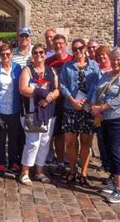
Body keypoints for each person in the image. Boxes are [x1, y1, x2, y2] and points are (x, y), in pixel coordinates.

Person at [91, 48, 120, 203]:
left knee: (116, 151)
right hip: (106, 119)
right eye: (114, 59)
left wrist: (102, 107)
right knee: (109, 151)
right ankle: (114, 181)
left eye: (119, 59)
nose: (116, 62)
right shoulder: (106, 75)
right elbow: (98, 92)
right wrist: (94, 106)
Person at [59, 38, 100, 186]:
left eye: (80, 48)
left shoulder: (94, 66)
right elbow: (62, 85)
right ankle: (72, 170)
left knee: (85, 142)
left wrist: (86, 100)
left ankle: (83, 171)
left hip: (87, 109)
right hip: (71, 108)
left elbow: (97, 85)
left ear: (85, 48)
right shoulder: (67, 66)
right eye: (75, 49)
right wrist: (72, 100)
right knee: (70, 142)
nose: (78, 51)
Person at [19, 44, 59, 185]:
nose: (39, 55)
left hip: (48, 112)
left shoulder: (51, 70)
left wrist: (49, 97)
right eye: (35, 53)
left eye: (41, 52)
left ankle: (39, 171)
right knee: (33, 142)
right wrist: (40, 93)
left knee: (44, 143)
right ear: (32, 55)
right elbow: (23, 89)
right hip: (32, 112)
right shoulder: (27, 70)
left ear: (45, 54)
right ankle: (25, 172)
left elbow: (56, 90)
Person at [0, 43, 24, 176]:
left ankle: (13, 162)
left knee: (14, 138)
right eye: (3, 55)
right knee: (1, 138)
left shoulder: (17, 68)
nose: (5, 57)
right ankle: (2, 163)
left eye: (8, 54)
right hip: (0, 109)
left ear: (11, 55)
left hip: (14, 109)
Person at [45, 34, 73, 173]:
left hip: (70, 102)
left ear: (66, 44)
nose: (58, 46)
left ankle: (71, 159)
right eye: (56, 43)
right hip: (55, 103)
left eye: (61, 43)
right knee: (58, 134)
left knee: (71, 133)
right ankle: (61, 160)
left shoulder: (72, 59)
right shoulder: (49, 61)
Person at [94, 45, 112, 171]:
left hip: (111, 110)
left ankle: (113, 164)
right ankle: (105, 163)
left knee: (111, 138)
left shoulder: (114, 70)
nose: (101, 57)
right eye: (99, 55)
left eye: (103, 54)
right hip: (97, 110)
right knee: (101, 138)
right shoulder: (96, 71)